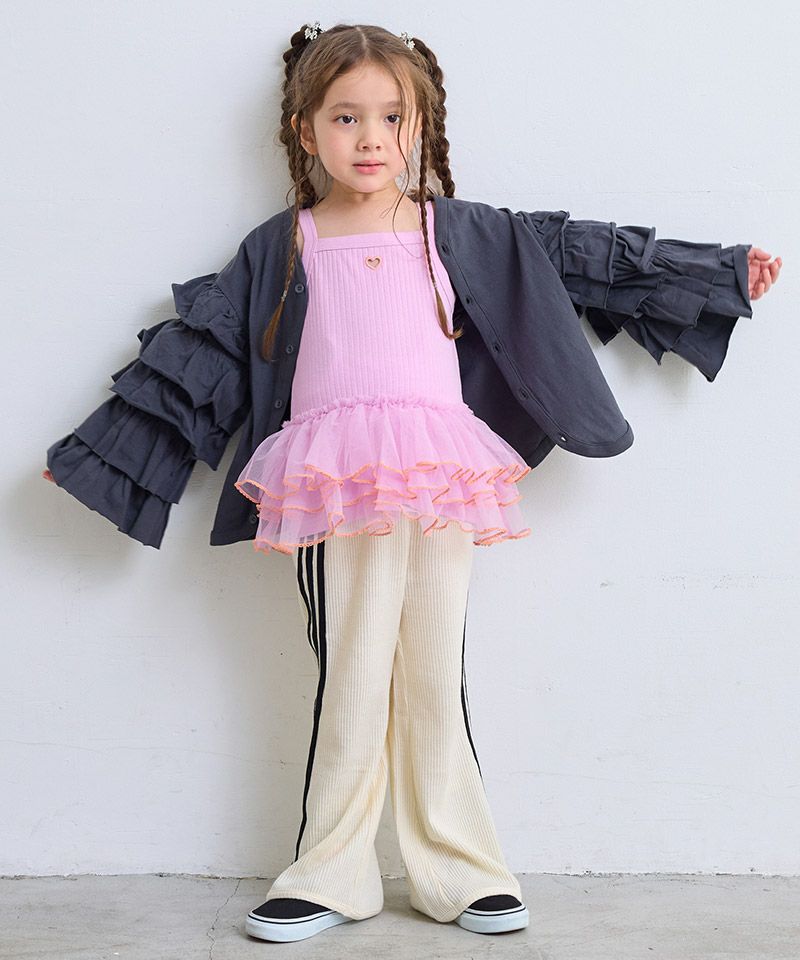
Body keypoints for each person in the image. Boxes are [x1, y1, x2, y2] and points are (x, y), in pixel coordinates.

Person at [42, 22, 781, 945]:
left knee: (434, 671)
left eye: (392, 117)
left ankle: (461, 869)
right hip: (330, 486)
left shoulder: (461, 233)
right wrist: (102, 452)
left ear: (421, 125)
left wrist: (718, 274)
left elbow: (584, 259)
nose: (371, 138)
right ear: (305, 130)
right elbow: (203, 357)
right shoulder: (284, 246)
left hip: (438, 481)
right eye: (346, 117)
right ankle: (331, 872)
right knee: (351, 671)